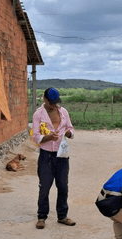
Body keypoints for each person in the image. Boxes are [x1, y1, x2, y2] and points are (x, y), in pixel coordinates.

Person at [32, 87, 76, 229]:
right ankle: (41, 216)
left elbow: (71, 128)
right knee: (44, 187)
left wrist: (69, 133)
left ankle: (62, 216)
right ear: (44, 100)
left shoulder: (63, 112)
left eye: (56, 102)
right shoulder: (38, 114)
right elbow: (35, 137)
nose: (54, 105)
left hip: (62, 155)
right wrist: (49, 137)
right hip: (46, 156)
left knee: (63, 186)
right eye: (51, 103)